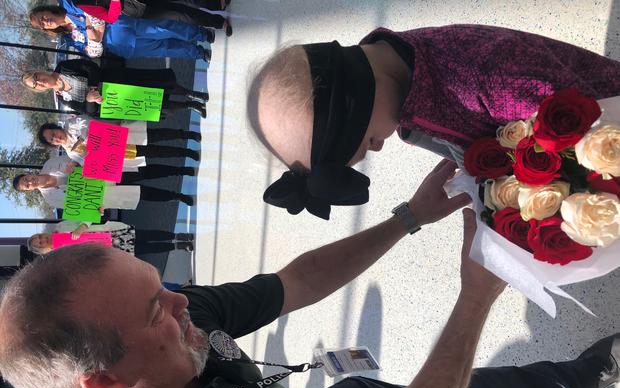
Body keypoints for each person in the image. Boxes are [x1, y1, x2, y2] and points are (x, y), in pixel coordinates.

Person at [0, 159, 618, 388]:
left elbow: (295, 282)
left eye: (163, 285)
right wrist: (477, 293)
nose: (184, 301)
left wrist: (409, 216)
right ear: (104, 384)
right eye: (156, 306)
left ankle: (575, 382)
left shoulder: (161, 324)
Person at [247, 24, 620, 219]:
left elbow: (592, 129)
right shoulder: (402, 82)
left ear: (357, 98)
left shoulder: (485, 74)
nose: (379, 145)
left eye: (367, 143)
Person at [21, 58, 207, 118]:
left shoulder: (63, 67)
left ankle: (192, 94)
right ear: (39, 89)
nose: (40, 82)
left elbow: (89, 66)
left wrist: (93, 86)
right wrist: (90, 100)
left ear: (39, 72)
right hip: (116, 101)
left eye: (37, 77)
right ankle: (190, 107)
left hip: (117, 80)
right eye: (36, 84)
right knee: (156, 105)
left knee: (157, 85)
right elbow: (87, 112)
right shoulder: (62, 99)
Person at [28, 4, 215, 61]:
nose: (46, 22)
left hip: (122, 25)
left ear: (46, 10)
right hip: (122, 46)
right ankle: (198, 53)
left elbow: (94, 12)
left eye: (42, 17)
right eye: (43, 25)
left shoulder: (68, 4)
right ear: (47, 30)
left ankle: (199, 34)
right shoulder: (68, 38)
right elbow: (93, 52)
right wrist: (92, 31)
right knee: (164, 49)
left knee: (163, 28)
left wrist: (93, 35)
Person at [13, 153, 196, 209]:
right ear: (29, 191)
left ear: (29, 173)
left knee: (145, 172)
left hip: (103, 172)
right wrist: (95, 207)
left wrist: (72, 165)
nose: (31, 182)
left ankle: (181, 170)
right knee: (144, 194)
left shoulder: (50, 163)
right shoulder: (50, 199)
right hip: (103, 193)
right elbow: (76, 205)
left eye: (27, 179)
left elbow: (75, 157)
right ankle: (178, 196)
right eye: (27, 186)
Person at [37, 120, 201, 166]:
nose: (56, 137)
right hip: (121, 152)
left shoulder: (71, 124)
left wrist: (82, 141)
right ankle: (186, 153)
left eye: (53, 133)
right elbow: (88, 161)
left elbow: (89, 125)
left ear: (55, 128)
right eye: (52, 140)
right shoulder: (70, 153)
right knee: (155, 152)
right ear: (53, 144)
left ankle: (187, 134)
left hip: (121, 135)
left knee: (158, 135)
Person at [54, 0, 233, 34]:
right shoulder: (79, 3)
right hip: (136, 8)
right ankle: (218, 23)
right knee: (179, 15)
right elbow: (110, 17)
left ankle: (216, 4)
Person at [28, 220, 194, 255]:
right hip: (110, 251)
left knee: (148, 234)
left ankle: (177, 236)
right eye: (40, 243)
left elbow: (87, 217)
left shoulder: (61, 227)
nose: (43, 240)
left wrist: (81, 227)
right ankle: (178, 247)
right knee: (147, 249)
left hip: (111, 233)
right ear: (43, 249)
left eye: (40, 237)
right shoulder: (60, 256)